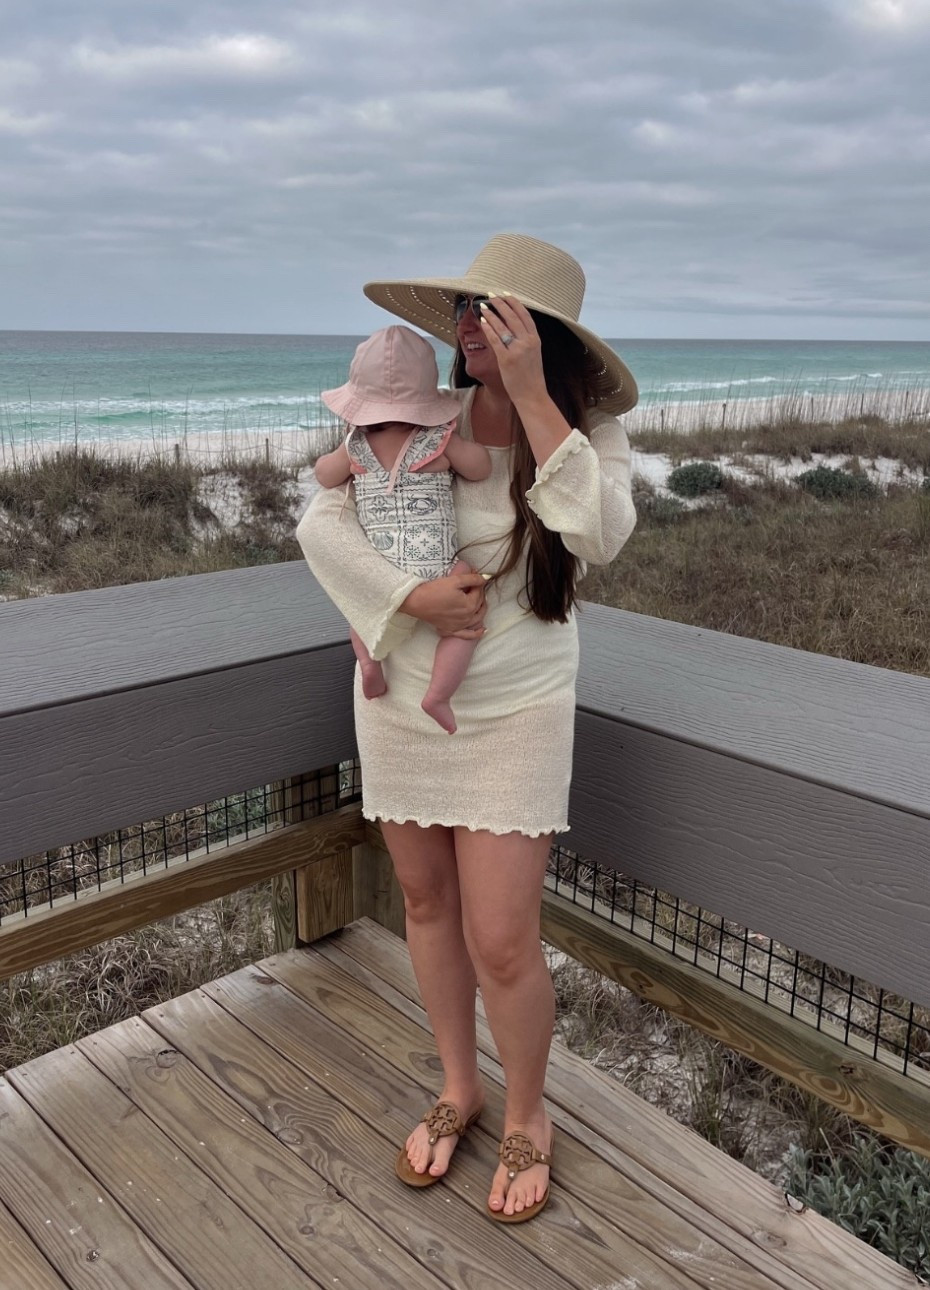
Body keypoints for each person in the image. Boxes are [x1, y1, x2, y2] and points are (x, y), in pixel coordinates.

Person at [297, 232, 638, 1223]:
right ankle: (460, 1085)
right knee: (424, 903)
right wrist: (411, 599)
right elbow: (320, 522)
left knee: (501, 937)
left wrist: (533, 398)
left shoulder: (589, 439)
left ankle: (531, 1111)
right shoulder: (423, 412)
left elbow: (598, 534)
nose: (464, 328)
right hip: (403, 703)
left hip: (519, 713)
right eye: (463, 311)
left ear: (545, 339)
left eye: (492, 314)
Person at [314, 326, 492, 733]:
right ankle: (439, 695)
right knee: (467, 617)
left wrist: (344, 456)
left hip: (383, 567)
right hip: (436, 567)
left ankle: (368, 661)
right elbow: (480, 469)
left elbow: (325, 476)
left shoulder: (355, 447)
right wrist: (461, 449)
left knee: (358, 605)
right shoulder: (438, 442)